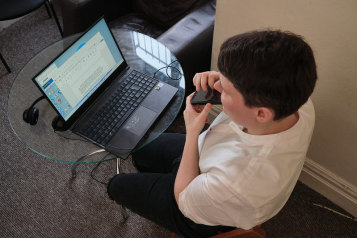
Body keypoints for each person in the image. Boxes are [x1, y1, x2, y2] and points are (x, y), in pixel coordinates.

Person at [107, 29, 317, 238]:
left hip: (202, 208)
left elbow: (183, 196)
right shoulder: (299, 103)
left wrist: (191, 132)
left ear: (261, 113)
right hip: (209, 154)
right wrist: (225, 79)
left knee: (117, 185)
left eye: (225, 90)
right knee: (141, 147)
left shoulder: (235, 185)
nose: (215, 87)